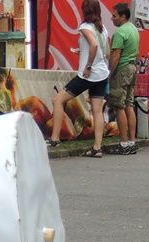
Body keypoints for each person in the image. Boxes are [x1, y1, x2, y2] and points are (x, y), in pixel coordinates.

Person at [45, 0, 109, 157]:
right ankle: (97, 147)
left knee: (58, 100)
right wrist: (83, 52)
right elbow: (103, 51)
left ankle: (55, 138)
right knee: (97, 111)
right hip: (102, 74)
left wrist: (87, 65)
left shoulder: (85, 27)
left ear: (85, 11)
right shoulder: (102, 28)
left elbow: (93, 46)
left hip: (88, 74)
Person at [106, 3, 139, 154]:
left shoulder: (119, 33)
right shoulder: (133, 29)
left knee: (119, 106)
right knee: (129, 104)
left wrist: (109, 73)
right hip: (132, 68)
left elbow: (115, 56)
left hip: (122, 70)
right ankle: (132, 142)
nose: (112, 18)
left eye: (114, 16)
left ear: (123, 16)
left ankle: (124, 144)